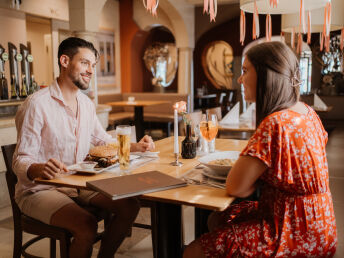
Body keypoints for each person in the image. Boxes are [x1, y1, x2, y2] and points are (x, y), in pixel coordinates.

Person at [183, 41, 337, 257]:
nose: (239, 79)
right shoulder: (308, 113)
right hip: (321, 224)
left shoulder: (275, 123)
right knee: (218, 218)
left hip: (292, 230)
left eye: (245, 71)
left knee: (193, 252)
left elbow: (236, 187)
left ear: (266, 75)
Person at [12, 37, 155, 258]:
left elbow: (102, 141)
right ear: (64, 60)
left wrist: (137, 146)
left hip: (78, 182)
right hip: (39, 190)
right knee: (86, 224)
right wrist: (38, 168)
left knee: (130, 206)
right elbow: (20, 159)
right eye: (85, 63)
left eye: (93, 66)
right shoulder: (36, 104)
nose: (91, 70)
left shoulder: (86, 104)